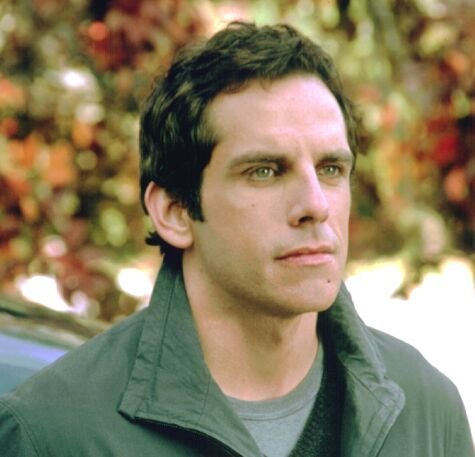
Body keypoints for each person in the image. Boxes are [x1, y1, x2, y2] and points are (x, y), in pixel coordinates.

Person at [0, 22, 473, 457]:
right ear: (175, 212)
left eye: (331, 169)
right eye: (265, 171)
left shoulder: (425, 408)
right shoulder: (50, 433)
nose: (316, 205)